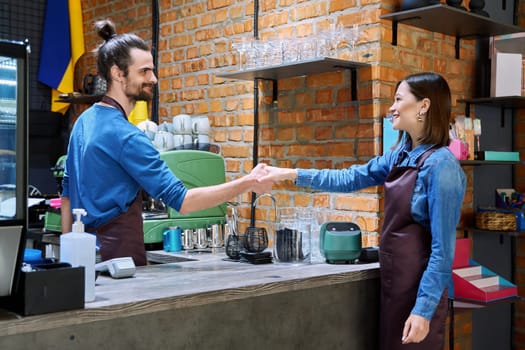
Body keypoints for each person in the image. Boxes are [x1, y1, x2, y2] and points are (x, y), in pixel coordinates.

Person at [257, 72, 466, 349]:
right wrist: (288, 173)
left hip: (418, 294)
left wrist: (423, 311)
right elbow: (349, 178)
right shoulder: (399, 155)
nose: (391, 107)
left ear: (423, 106)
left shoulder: (442, 166)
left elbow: (442, 252)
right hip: (395, 287)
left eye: (398, 99)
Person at [60, 19, 271, 266]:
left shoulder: (83, 121)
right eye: (144, 71)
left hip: (79, 251)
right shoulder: (127, 135)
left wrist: (67, 259)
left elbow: (67, 193)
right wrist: (246, 183)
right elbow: (182, 200)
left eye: (152, 70)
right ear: (118, 73)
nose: (154, 79)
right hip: (119, 258)